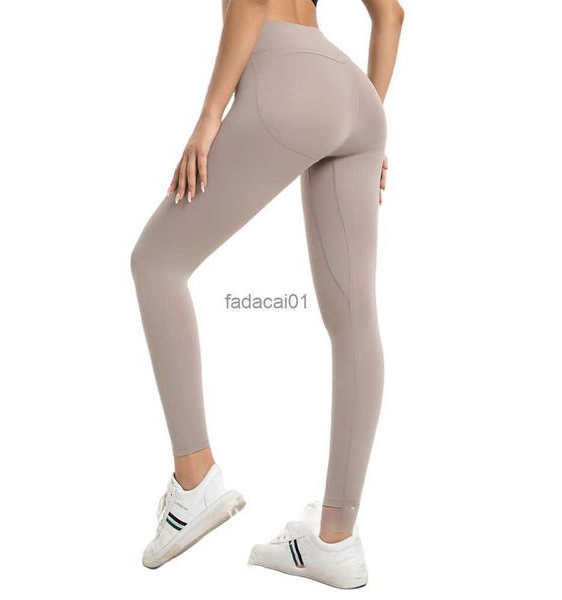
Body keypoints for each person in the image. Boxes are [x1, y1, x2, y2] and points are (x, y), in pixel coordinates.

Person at [130, 0, 404, 588]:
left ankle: (194, 479)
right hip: (356, 97)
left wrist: (209, 116)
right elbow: (391, 15)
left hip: (287, 76)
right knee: (354, 319)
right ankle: (336, 539)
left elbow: (252, 2)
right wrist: (372, 116)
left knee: (156, 264)